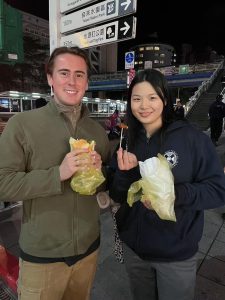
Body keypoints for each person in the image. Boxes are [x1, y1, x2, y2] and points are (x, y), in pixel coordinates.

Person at [0, 46, 110, 300]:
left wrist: (99, 173)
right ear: (50, 78)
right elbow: (3, 183)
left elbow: (101, 187)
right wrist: (58, 174)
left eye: (79, 74)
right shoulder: (23, 125)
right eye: (64, 73)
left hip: (88, 251)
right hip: (42, 257)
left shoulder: (97, 131)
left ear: (86, 82)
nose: (72, 81)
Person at [108, 69, 225, 300]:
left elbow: (218, 190)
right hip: (135, 251)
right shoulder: (127, 140)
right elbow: (117, 195)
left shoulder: (192, 139)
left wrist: (175, 195)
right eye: (137, 98)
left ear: (165, 100)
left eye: (152, 97)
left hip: (176, 255)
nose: (144, 105)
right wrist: (123, 174)